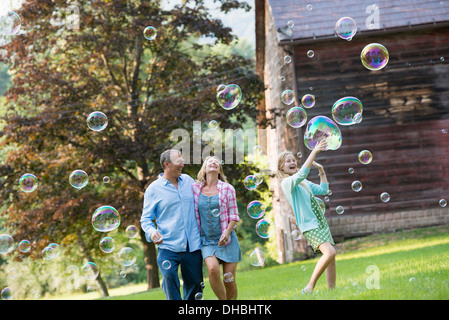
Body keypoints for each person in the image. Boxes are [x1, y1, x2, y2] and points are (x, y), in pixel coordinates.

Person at [140, 149, 203, 300]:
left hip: (192, 244)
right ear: (167, 164)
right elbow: (146, 219)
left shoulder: (188, 180)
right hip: (168, 244)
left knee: (195, 284)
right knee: (168, 277)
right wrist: (152, 233)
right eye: (178, 161)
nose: (182, 164)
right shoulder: (153, 189)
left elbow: (203, 199)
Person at [278, 140, 336, 294]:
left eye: (293, 160)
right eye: (287, 161)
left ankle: (333, 292)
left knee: (331, 258)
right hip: (309, 225)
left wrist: (321, 171)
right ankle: (309, 287)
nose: (292, 162)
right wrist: (314, 151)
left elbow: (323, 190)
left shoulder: (302, 181)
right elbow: (302, 172)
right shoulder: (287, 182)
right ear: (281, 167)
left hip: (319, 222)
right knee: (330, 253)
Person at [192, 156, 241, 300]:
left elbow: (234, 215)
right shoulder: (195, 188)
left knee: (229, 281)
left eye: (216, 162)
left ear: (219, 169)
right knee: (212, 269)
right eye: (209, 161)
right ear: (204, 168)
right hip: (206, 240)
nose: (213, 162)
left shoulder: (228, 188)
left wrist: (227, 231)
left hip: (228, 239)